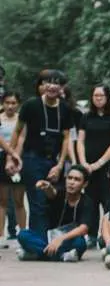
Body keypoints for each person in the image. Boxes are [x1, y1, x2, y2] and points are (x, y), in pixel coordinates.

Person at [8, 69, 73, 233]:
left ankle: (52, 237)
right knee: (37, 202)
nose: (52, 86)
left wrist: (60, 165)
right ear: (42, 85)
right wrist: (11, 156)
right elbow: (18, 131)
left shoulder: (65, 108)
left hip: (54, 161)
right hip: (33, 159)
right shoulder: (31, 105)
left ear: (62, 88)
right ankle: (38, 240)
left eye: (56, 83)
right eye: (48, 82)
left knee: (55, 199)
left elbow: (66, 138)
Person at [15, 164, 93, 262]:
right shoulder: (60, 193)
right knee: (23, 235)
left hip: (68, 239)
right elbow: (52, 193)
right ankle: (62, 256)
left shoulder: (87, 202)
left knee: (80, 243)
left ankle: (37, 254)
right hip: (49, 238)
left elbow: (83, 228)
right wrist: (47, 187)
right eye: (69, 178)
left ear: (85, 184)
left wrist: (61, 239)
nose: (72, 182)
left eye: (77, 179)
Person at [76, 84, 110, 238]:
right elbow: (80, 141)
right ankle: (91, 235)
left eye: (101, 96)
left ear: (107, 98)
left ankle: (108, 235)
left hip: (107, 166)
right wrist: (83, 163)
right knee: (90, 200)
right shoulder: (86, 117)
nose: (98, 99)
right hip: (88, 167)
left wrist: (99, 163)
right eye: (95, 96)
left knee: (108, 200)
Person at [0, 91, 25, 240]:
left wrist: (15, 157)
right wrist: (10, 154)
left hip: (18, 158)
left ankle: (24, 235)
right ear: (2, 104)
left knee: (19, 200)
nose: (10, 106)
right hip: (1, 156)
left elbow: (22, 138)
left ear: (18, 104)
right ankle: (1, 236)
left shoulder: (22, 119)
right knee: (2, 200)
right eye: (7, 103)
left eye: (13, 103)